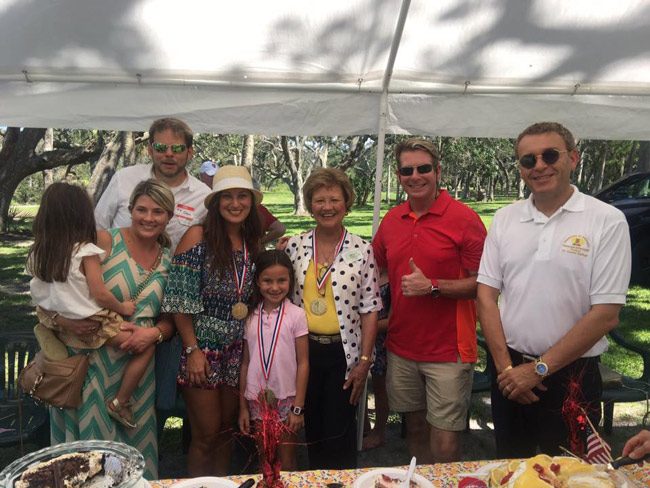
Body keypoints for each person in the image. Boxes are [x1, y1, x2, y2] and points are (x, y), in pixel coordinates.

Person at [477, 122, 631, 458]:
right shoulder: (505, 218)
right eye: (528, 160)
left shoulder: (607, 220)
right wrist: (506, 369)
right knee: (511, 470)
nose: (539, 166)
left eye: (550, 155)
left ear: (573, 158)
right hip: (509, 372)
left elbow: (605, 314)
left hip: (570, 375)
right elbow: (486, 295)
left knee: (572, 474)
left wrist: (538, 370)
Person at [39, 179, 176, 479]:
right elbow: (52, 290)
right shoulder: (102, 242)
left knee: (135, 448)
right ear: (130, 210)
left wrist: (153, 334)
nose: (149, 218)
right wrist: (63, 321)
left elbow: (171, 318)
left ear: (170, 216)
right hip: (89, 361)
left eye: (158, 211)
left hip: (138, 366)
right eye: (141, 209)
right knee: (88, 452)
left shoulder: (169, 259)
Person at [372, 137, 487, 463]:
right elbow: (371, 264)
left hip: (449, 350)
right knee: (416, 432)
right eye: (407, 170)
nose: (415, 176)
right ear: (398, 176)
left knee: (446, 443)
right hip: (402, 347)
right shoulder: (392, 220)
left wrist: (433, 286)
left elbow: (486, 285)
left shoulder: (465, 220)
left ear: (438, 171)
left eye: (424, 168)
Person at [161, 165, 263, 476]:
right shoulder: (198, 235)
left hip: (236, 348)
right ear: (216, 203)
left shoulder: (251, 241)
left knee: (226, 431)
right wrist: (193, 350)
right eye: (227, 197)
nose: (235, 203)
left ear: (251, 201)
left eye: (242, 196)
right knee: (204, 435)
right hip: (202, 347)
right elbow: (179, 298)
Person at [283, 167, 380, 469]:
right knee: (311, 427)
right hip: (303, 352)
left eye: (334, 199)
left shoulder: (362, 249)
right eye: (319, 200)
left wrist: (364, 361)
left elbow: (371, 307)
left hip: (344, 353)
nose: (327, 207)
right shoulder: (294, 246)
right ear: (310, 205)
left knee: (339, 429)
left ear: (346, 203)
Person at [238, 250, 309, 471]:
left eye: (281, 280)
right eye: (267, 281)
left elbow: (303, 362)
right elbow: (246, 363)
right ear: (257, 281)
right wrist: (243, 407)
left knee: (286, 461)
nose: (275, 287)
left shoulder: (297, 315)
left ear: (291, 281)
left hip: (287, 400)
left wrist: (298, 408)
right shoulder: (250, 317)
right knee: (264, 458)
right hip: (258, 400)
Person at [95, 117, 211, 251]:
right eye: (160, 147)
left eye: (177, 148)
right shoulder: (124, 179)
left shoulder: (203, 197)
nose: (169, 154)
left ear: (190, 152)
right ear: (150, 150)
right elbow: (96, 228)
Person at [362, 278, 390, 450]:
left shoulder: (392, 275)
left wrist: (366, 327)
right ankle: (363, 427)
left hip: (381, 339)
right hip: (357, 335)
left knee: (380, 386)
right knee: (357, 382)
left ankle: (379, 432)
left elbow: (395, 318)